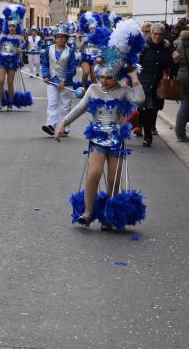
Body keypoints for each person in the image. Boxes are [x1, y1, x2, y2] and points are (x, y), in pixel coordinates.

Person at [55, 19, 146, 230]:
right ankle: (87, 212)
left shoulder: (123, 91)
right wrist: (63, 123)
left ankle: (110, 214)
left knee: (113, 180)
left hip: (116, 140)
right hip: (97, 138)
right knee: (94, 173)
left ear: (118, 77)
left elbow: (140, 99)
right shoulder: (93, 90)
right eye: (102, 76)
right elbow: (80, 109)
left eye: (109, 77)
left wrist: (134, 77)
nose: (104, 81)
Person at [138, 23, 173, 147]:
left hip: (159, 84)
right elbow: (136, 65)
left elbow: (170, 66)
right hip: (144, 82)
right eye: (155, 33)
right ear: (150, 33)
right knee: (146, 109)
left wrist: (174, 62)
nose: (157, 36)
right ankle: (147, 136)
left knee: (154, 110)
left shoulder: (167, 48)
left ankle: (148, 126)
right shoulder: (143, 47)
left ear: (163, 35)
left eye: (160, 34)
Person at [40, 25, 78, 136]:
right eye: (58, 37)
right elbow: (45, 64)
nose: (60, 39)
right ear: (55, 38)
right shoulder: (48, 49)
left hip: (66, 83)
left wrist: (65, 80)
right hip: (52, 81)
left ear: (67, 39)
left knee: (65, 106)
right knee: (52, 103)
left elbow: (73, 69)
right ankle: (51, 125)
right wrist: (46, 76)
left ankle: (65, 128)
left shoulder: (70, 52)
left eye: (63, 37)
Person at [0, 5, 26, 110]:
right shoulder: (3, 35)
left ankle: (10, 103)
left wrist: (20, 59)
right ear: (7, 26)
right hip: (2, 60)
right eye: (10, 26)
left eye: (13, 26)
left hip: (12, 61)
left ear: (17, 27)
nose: (11, 28)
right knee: (1, 81)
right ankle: (0, 102)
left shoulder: (19, 37)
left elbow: (20, 50)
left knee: (10, 83)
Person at [173, 19, 189, 142]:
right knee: (188, 106)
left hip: (182, 76)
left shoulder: (179, 42)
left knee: (185, 105)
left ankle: (180, 134)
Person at [79, 12, 103, 87]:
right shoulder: (84, 36)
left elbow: (103, 47)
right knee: (86, 72)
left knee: (94, 75)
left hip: (95, 58)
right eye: (91, 27)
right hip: (85, 57)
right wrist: (83, 41)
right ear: (88, 27)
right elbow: (79, 47)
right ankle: (83, 87)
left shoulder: (99, 36)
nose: (92, 29)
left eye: (94, 27)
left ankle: (95, 93)